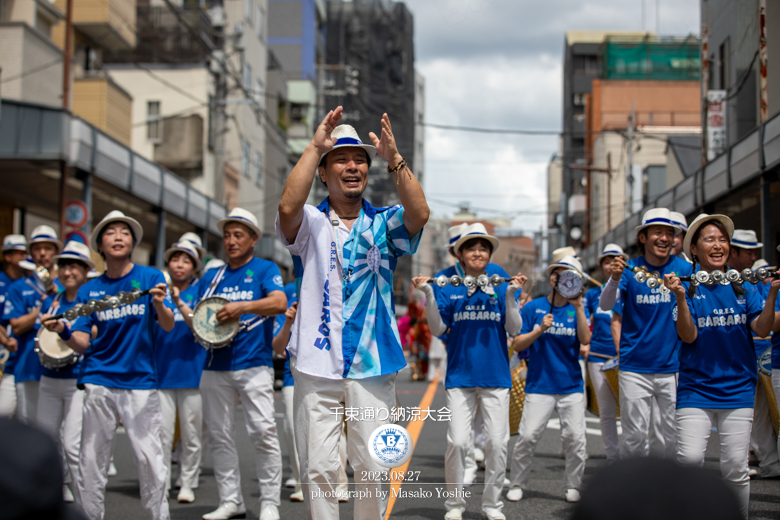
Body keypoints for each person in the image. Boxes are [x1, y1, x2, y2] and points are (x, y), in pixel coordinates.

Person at [275, 106, 428, 520]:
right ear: (324, 173)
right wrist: (313, 147)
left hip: (373, 364)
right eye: (340, 159)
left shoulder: (384, 223)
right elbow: (288, 208)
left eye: (359, 159)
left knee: (374, 467)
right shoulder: (310, 223)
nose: (352, 166)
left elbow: (420, 215)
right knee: (319, 468)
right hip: (315, 362)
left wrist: (394, 159)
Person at [42, 210, 174, 520]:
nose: (117, 237)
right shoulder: (89, 290)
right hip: (99, 379)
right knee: (91, 462)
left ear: (132, 242)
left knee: (149, 460)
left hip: (140, 381)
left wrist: (158, 304)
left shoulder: (150, 277)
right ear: (100, 245)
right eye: (110, 232)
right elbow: (83, 343)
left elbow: (167, 325)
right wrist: (62, 330)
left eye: (124, 232)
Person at [664, 213, 779, 519]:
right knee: (688, 463)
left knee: (735, 468)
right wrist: (679, 297)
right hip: (695, 389)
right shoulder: (684, 286)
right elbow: (687, 335)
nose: (718, 245)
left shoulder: (743, 286)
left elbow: (761, 328)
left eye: (722, 239)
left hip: (738, 389)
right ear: (695, 250)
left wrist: (774, 294)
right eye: (709, 239)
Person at [176, 208, 287, 520]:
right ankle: (231, 500)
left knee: (263, 431)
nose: (231, 241)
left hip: (254, 363)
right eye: (227, 235)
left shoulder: (265, 268)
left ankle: (269, 502)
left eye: (238, 235)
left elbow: (279, 302)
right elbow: (197, 317)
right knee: (220, 434)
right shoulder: (212, 276)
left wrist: (244, 307)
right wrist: (179, 306)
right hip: (214, 365)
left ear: (253, 239)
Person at [414, 223, 525, 520]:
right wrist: (429, 296)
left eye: (483, 248)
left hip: (496, 375)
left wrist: (512, 296)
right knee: (458, 442)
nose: (478, 253)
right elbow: (438, 329)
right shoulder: (447, 282)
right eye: (471, 248)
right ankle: (454, 504)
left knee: (497, 443)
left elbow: (514, 328)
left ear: (489, 253)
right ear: (460, 254)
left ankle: (492, 504)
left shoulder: (501, 279)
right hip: (460, 376)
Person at [599, 208, 693, 459]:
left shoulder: (686, 270)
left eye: (669, 234)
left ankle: (668, 490)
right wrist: (615, 279)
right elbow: (606, 305)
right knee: (635, 436)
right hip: (634, 367)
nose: (664, 239)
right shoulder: (629, 270)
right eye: (658, 232)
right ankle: (635, 492)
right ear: (643, 237)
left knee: (672, 436)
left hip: (674, 366)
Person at [508, 255, 591, 503]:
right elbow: (517, 343)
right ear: (552, 278)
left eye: (569, 275)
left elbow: (585, 339)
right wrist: (539, 329)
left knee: (575, 439)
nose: (562, 278)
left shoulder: (578, 308)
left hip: (571, 386)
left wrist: (578, 307)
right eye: (558, 273)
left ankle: (573, 485)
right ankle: (517, 482)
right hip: (539, 384)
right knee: (528, 436)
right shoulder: (534, 308)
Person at [35, 241, 94, 503]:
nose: (67, 271)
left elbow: (97, 333)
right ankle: (56, 488)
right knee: (46, 439)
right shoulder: (51, 300)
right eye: (64, 266)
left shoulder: (92, 300)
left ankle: (85, 501)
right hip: (49, 377)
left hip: (77, 379)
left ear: (84, 271)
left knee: (73, 445)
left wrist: (69, 330)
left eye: (73, 266)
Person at [726, 230, 780, 478]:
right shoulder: (719, 280)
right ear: (733, 252)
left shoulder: (754, 281)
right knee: (747, 413)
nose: (753, 257)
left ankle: (768, 462)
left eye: (755, 252)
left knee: (762, 414)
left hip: (764, 354)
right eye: (748, 251)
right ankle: (750, 460)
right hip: (738, 359)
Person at [157, 240, 206, 503]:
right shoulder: (158, 291)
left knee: (191, 434)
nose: (179, 265)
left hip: (193, 373)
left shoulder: (200, 291)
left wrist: (178, 301)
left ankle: (187, 482)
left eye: (186, 260)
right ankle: (162, 482)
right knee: (162, 434)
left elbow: (200, 326)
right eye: (175, 259)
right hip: (162, 374)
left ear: (194, 267)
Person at [4, 225, 64, 423]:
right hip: (27, 365)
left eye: (48, 248)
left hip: (61, 369)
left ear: (56, 253)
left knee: (60, 434)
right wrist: (45, 306)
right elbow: (17, 326)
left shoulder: (67, 286)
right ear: (30, 253)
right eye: (37, 249)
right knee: (28, 427)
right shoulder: (19, 286)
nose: (43, 253)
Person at [583, 244, 626, 463]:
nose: (611, 265)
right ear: (601, 265)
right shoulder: (592, 294)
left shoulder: (630, 287)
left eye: (615, 260)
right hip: (598, 357)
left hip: (626, 359)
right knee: (607, 412)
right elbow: (584, 322)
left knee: (630, 411)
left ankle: (635, 457)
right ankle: (612, 457)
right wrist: (585, 343)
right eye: (607, 261)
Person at [0, 234, 27, 417]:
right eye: (19, 252)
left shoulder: (29, 283)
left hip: (20, 353)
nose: (24, 256)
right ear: (7, 256)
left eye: (25, 252)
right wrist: (5, 339)